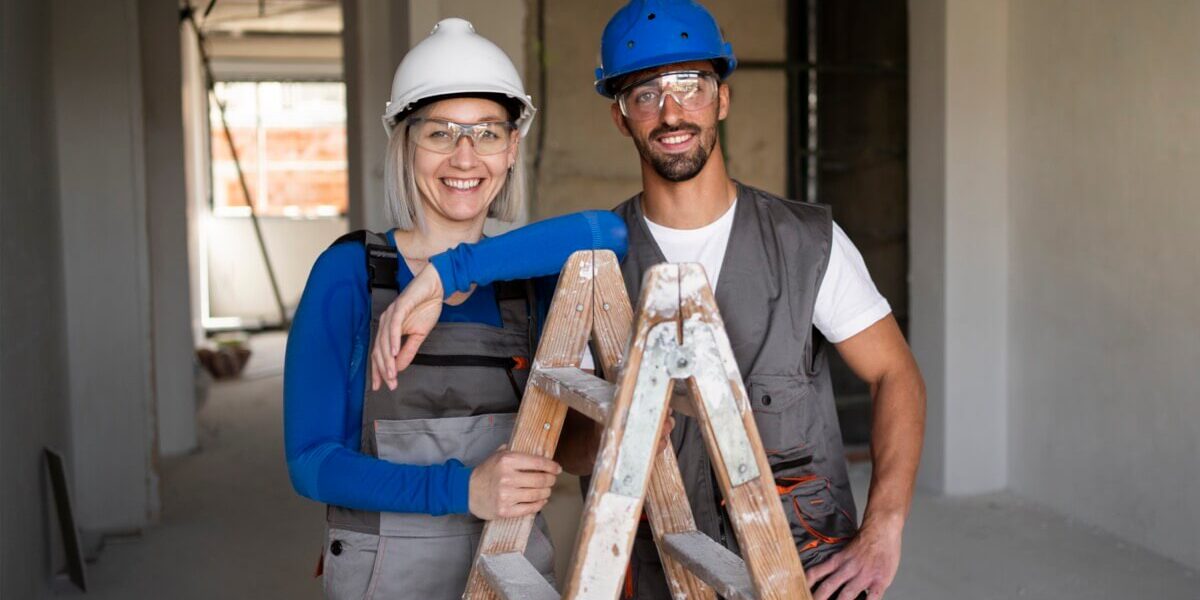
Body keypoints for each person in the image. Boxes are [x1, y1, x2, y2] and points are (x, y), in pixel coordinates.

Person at [283, 18, 627, 599]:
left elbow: (609, 233)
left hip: (512, 566)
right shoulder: (350, 274)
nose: (465, 158)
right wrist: (463, 490)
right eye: (440, 133)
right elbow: (311, 462)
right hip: (384, 576)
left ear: (512, 148)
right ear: (406, 143)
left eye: (488, 133)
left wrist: (447, 274)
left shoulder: (528, 281)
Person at [592, 2, 926, 599]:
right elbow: (570, 442)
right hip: (660, 572)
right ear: (620, 118)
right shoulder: (599, 266)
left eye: (690, 86)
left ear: (722, 98)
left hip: (804, 569)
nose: (671, 112)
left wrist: (884, 527)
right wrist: (614, 430)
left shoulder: (806, 243)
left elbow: (894, 373)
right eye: (646, 94)